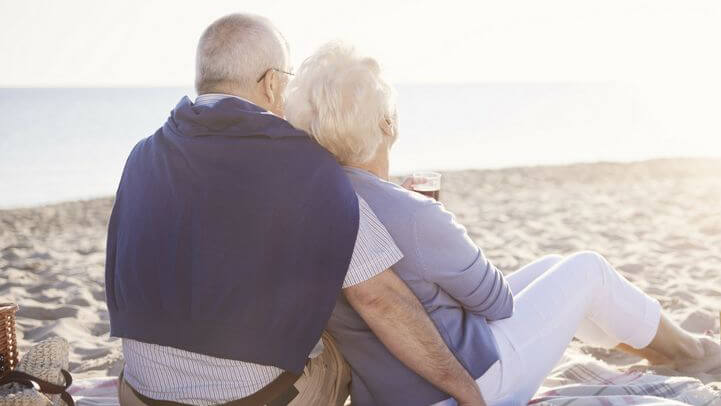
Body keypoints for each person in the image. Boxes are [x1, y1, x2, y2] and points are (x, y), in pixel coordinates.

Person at [283, 41, 721, 406]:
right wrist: (433, 228)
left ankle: (659, 344)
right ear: (387, 123)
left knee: (554, 265)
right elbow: (496, 302)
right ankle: (689, 351)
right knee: (587, 270)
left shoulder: (316, 200)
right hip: (467, 383)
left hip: (388, 388)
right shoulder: (413, 214)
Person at [105, 14, 484, 406]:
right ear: (272, 83)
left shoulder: (142, 155)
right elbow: (380, 300)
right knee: (345, 335)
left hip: (139, 395)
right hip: (249, 401)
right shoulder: (305, 166)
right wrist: (465, 389)